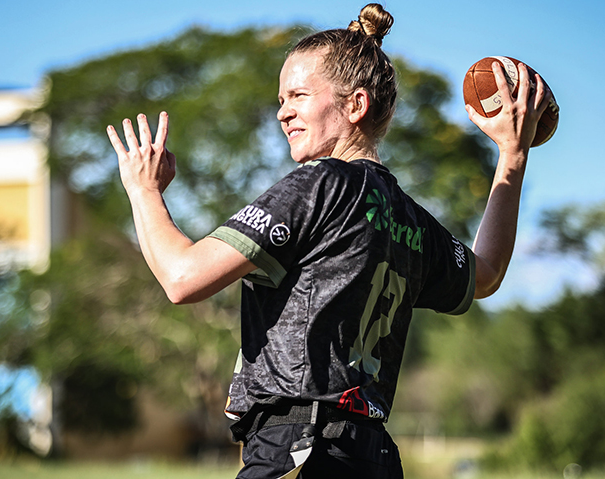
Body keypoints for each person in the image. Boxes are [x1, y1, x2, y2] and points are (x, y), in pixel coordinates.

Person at [106, 3, 550, 478]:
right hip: (372, 457)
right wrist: (512, 153)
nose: (283, 112)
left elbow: (182, 278)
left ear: (355, 105)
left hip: (301, 449)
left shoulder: (319, 183)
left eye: (297, 95)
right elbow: (485, 274)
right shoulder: (409, 218)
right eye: (281, 99)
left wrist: (143, 190)